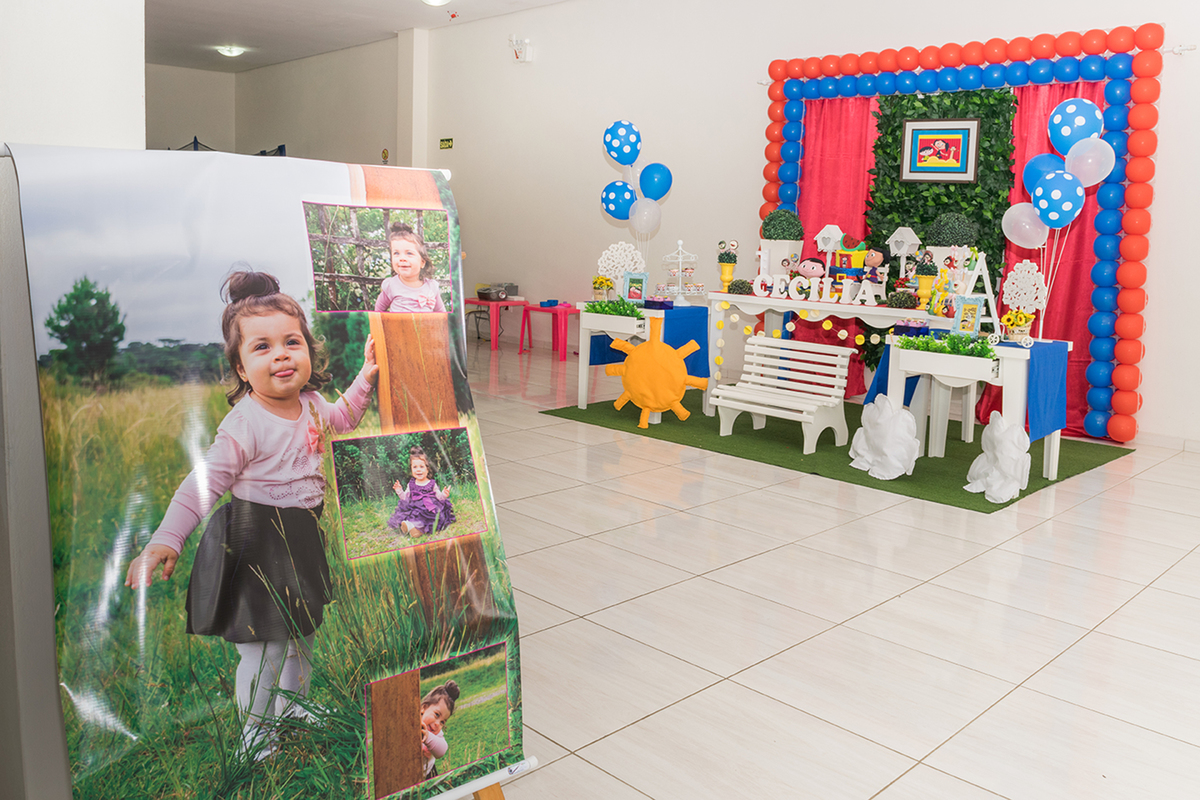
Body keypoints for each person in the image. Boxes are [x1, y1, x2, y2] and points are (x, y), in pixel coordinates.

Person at [124, 269, 379, 759]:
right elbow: (204, 484)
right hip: (256, 543)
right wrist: (166, 539)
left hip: (301, 539)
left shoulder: (312, 404)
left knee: (302, 637)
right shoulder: (246, 422)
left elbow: (344, 418)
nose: (281, 354)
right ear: (241, 368)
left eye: (291, 342)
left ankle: (295, 712)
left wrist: (365, 377)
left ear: (308, 350)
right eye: (261, 347)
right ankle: (256, 740)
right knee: (264, 651)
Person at [374, 221, 446, 313]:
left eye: (409, 253)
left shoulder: (431, 287)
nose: (402, 258)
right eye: (396, 253)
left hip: (425, 327)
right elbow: (378, 311)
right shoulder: (391, 285)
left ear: (422, 262)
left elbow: (442, 314)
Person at [387, 446, 455, 536]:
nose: (418, 469)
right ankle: (410, 526)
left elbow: (439, 497)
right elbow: (405, 498)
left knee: (430, 518)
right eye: (415, 467)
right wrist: (399, 490)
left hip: (430, 509)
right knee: (414, 516)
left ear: (427, 469)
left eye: (421, 466)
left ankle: (416, 530)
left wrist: (444, 494)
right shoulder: (411, 484)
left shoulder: (431, 483)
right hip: (415, 508)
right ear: (411, 469)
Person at [419, 680, 460, 778]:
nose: (438, 724)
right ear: (423, 708)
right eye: (437, 715)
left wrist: (428, 737)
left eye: (442, 722)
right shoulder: (411, 723)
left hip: (428, 775)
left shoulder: (435, 734)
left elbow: (442, 750)